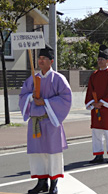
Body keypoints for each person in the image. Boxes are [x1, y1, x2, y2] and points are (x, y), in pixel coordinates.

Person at [19, 45, 72, 194]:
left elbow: (66, 98)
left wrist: (45, 102)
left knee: (53, 154)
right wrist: (31, 97)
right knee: (38, 154)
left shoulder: (59, 79)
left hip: (51, 121)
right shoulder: (33, 79)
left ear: (51, 61)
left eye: (44, 59)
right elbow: (23, 95)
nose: (41, 61)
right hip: (35, 121)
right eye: (39, 58)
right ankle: (41, 183)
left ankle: (54, 183)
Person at [85, 45, 108, 163]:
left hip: (107, 107)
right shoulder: (94, 75)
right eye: (98, 59)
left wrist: (103, 102)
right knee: (96, 131)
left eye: (102, 59)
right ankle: (98, 154)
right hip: (96, 108)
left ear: (107, 61)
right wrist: (93, 103)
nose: (100, 61)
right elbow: (90, 90)